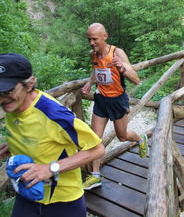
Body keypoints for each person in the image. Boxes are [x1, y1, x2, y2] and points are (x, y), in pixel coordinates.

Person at [0, 53, 105, 217]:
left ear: (29, 84)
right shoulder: (13, 105)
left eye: (8, 90)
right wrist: (15, 144)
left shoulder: (53, 113)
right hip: (27, 194)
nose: (2, 98)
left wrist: (51, 168)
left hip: (63, 202)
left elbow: (97, 149)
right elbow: (39, 136)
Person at [81, 23, 149, 190]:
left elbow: (136, 79)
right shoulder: (93, 54)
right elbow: (95, 70)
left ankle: (141, 140)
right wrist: (90, 83)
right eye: (89, 39)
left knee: (123, 137)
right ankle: (95, 176)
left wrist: (121, 68)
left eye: (94, 39)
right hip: (101, 100)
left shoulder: (117, 53)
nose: (91, 43)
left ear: (105, 36)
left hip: (117, 100)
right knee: (94, 139)